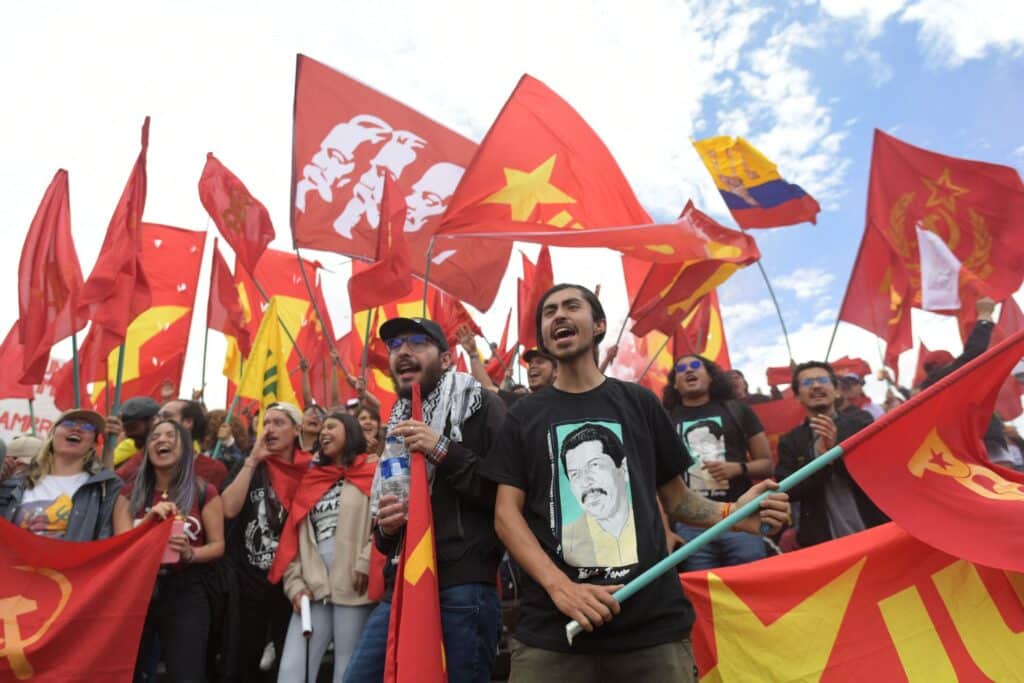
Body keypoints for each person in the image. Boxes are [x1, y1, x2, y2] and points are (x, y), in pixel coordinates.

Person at [481, 284, 789, 681]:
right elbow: (507, 515)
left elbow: (677, 500)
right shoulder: (523, 416)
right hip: (553, 637)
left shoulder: (640, 404)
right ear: (543, 336)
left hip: (652, 630)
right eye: (548, 311)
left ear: (598, 326)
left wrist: (734, 512)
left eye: (571, 306)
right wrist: (561, 587)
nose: (558, 315)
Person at [345, 317, 507, 683]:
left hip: (462, 583)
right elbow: (386, 535)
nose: (403, 351)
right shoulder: (398, 423)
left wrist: (442, 450)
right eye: (395, 346)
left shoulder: (481, 405)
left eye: (417, 342)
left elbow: (506, 496)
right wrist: (386, 528)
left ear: (447, 359)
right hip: (403, 581)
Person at [113, 420, 225, 682]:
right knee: (129, 671)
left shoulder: (203, 490)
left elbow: (218, 545)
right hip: (136, 591)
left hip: (186, 591)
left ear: (185, 448)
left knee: (186, 673)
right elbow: (121, 544)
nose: (161, 440)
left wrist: (190, 553)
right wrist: (150, 523)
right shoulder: (129, 494)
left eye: (170, 435)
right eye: (155, 437)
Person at [273, 412, 378, 682]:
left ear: (351, 430)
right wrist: (295, 585)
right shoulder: (312, 479)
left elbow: (387, 524)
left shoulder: (375, 469)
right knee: (291, 671)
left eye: (332, 426)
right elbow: (292, 540)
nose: (323, 433)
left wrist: (367, 561)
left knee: (348, 672)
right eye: (322, 429)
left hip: (356, 588)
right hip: (313, 590)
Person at [221, 402, 314, 682]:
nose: (270, 429)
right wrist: (251, 460)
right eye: (267, 423)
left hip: (293, 582)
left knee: (289, 664)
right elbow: (228, 509)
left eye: (279, 423)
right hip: (249, 581)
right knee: (244, 662)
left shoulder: (310, 469)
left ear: (297, 430)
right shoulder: (249, 464)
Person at [663, 354, 775, 570]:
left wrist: (738, 468)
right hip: (690, 525)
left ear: (711, 377)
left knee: (750, 587)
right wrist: (666, 530)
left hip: (740, 518)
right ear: (674, 383)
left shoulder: (738, 411)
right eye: (680, 368)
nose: (688, 370)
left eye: (695, 365)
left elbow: (767, 465)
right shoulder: (664, 419)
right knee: (704, 595)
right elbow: (657, 479)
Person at [775, 361, 886, 548]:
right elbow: (788, 490)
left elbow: (877, 472)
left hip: (873, 527)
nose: (816, 386)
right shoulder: (790, 441)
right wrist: (822, 464)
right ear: (797, 396)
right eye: (807, 383)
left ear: (836, 391)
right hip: (822, 540)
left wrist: (835, 454)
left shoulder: (860, 424)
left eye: (823, 380)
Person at [0, 409, 121, 541]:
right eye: (68, 424)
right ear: (53, 434)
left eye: (88, 427)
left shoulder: (100, 489)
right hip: (19, 561)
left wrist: (109, 449)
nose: (77, 429)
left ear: (94, 443)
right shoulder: (16, 484)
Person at [118, 398, 229, 490]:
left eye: (166, 416)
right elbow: (115, 483)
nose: (158, 422)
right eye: (157, 417)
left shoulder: (214, 470)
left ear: (188, 422)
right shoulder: (143, 459)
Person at [110, 396, 161, 467]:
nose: (129, 434)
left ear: (153, 421)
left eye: (133, 427)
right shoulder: (128, 448)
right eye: (126, 428)